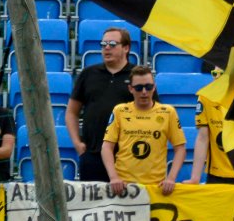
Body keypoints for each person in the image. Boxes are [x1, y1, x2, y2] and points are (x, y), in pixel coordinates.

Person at [101, 66, 186, 195]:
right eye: (139, 88)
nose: (144, 92)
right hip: (124, 187)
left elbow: (180, 148)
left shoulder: (168, 112)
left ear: (155, 87)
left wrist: (171, 178)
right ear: (130, 89)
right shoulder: (120, 111)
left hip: (156, 187)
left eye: (149, 87)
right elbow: (107, 147)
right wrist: (113, 177)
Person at [66, 26, 135, 182]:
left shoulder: (137, 76)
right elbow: (71, 112)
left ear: (126, 48)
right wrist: (77, 143)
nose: (106, 48)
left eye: (112, 44)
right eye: (103, 44)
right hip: (92, 154)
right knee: (92, 206)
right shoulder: (88, 74)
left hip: (127, 156)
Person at [187, 67, 234, 185]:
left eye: (221, 74)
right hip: (217, 175)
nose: (216, 77)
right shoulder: (206, 97)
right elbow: (202, 138)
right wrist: (195, 178)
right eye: (214, 73)